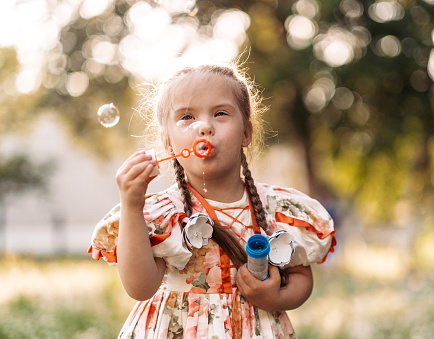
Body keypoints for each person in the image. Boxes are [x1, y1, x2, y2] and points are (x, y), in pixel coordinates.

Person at [88, 63, 336, 338]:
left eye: (220, 113)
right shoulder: (162, 215)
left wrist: (276, 298)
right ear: (168, 142)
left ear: (246, 133)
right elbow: (140, 287)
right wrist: (132, 206)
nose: (204, 126)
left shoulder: (275, 208)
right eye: (187, 117)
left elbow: (302, 278)